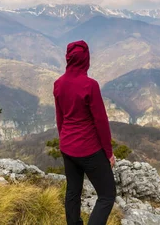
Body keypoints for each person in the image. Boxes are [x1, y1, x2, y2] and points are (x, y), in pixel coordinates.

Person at [53, 40, 116, 225]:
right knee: (107, 195)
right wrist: (109, 153)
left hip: (68, 147)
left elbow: (60, 118)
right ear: (86, 59)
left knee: (73, 192)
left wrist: (63, 140)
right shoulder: (90, 85)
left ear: (68, 59)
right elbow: (101, 122)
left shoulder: (58, 84)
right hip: (89, 149)